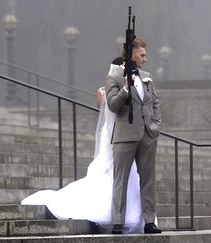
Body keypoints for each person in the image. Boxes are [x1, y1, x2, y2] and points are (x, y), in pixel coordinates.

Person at [21, 60, 145, 234]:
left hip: (125, 136)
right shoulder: (105, 92)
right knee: (110, 173)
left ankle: (131, 212)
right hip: (113, 134)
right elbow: (110, 108)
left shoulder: (130, 87)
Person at [105, 37, 162, 234]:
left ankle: (149, 221)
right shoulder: (114, 77)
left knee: (148, 179)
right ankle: (118, 221)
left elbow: (154, 102)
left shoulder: (147, 76)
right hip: (125, 135)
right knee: (120, 180)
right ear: (132, 55)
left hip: (148, 134)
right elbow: (112, 105)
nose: (145, 58)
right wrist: (126, 89)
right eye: (142, 54)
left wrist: (156, 125)